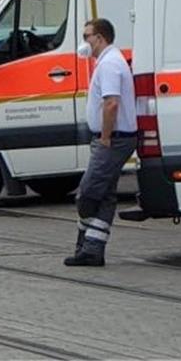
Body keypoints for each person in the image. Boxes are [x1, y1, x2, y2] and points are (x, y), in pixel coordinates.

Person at [65, 18, 137, 267]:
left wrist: (105, 137)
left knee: (88, 193)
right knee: (104, 195)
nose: (85, 42)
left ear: (101, 38)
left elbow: (111, 103)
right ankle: (91, 250)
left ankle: (87, 245)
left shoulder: (109, 64)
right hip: (113, 139)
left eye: (87, 36)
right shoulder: (108, 61)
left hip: (112, 140)